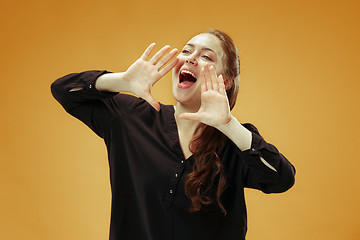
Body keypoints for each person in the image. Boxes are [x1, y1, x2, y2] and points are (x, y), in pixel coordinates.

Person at [51, 29, 295, 240]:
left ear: (227, 81)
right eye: (187, 51)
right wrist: (122, 81)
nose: (191, 59)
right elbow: (64, 90)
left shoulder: (235, 142)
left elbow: (281, 178)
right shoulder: (131, 118)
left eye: (206, 56)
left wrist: (229, 125)